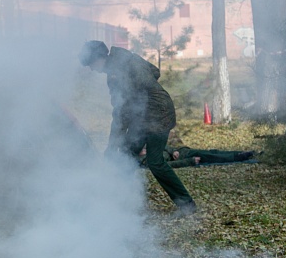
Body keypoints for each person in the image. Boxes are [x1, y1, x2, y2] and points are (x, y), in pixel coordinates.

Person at [78, 40, 197, 216]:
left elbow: (122, 113)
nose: (92, 69)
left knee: (155, 162)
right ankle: (118, 200)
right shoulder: (121, 64)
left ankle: (187, 205)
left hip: (158, 114)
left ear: (99, 57)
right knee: (127, 155)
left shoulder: (119, 71)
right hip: (144, 116)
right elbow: (154, 72)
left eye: (91, 64)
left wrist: (112, 145)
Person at [139, 145, 256, 168]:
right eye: (142, 149)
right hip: (186, 158)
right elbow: (169, 165)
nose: (145, 149)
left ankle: (240, 153)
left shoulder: (148, 147)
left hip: (183, 152)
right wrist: (189, 162)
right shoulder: (147, 161)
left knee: (213, 152)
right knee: (210, 156)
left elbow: (163, 144)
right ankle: (238, 157)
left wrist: (173, 150)